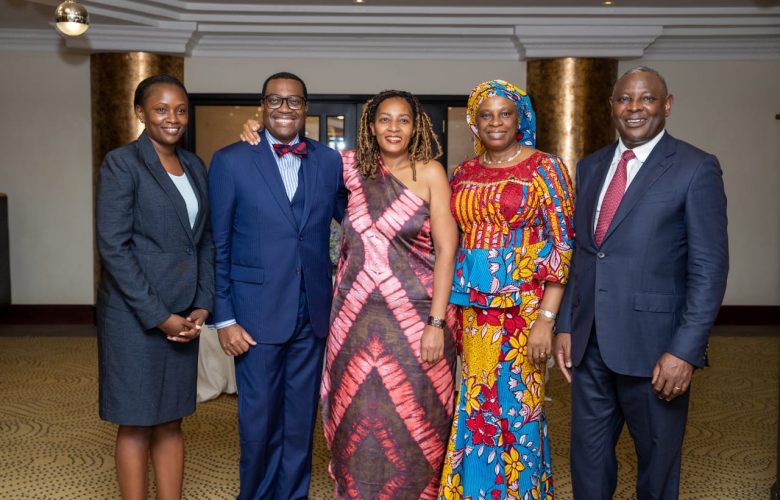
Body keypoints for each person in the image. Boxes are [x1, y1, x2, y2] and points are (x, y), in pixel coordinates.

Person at [241, 89, 460, 499]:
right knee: (355, 420)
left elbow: (448, 252)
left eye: (403, 120)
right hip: (353, 323)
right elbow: (294, 151)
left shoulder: (430, 172)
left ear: (416, 127)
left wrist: (436, 322)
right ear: (370, 126)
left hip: (416, 321)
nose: (393, 128)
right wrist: (258, 129)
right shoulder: (347, 167)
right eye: (384, 119)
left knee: (417, 421)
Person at [554, 66, 729, 500]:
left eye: (646, 98)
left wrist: (684, 351)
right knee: (588, 465)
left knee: (657, 470)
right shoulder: (591, 165)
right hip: (589, 345)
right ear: (612, 106)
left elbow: (709, 269)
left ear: (666, 105)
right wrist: (565, 325)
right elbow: (583, 254)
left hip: (656, 351)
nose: (634, 108)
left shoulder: (695, 167)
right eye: (624, 99)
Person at [209, 72, 347, 500]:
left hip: (313, 313)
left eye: (293, 101)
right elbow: (218, 244)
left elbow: (359, 215)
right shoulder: (231, 160)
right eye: (275, 100)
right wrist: (225, 318)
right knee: (258, 423)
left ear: (306, 108)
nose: (284, 109)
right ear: (262, 107)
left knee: (299, 424)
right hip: (254, 314)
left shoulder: (329, 161)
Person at [439, 80, 574, 500]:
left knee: (520, 410)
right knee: (476, 405)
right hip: (474, 310)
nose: (495, 122)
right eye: (486, 114)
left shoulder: (546, 168)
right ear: (474, 122)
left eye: (505, 114)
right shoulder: (463, 172)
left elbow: (563, 245)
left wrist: (546, 320)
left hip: (524, 312)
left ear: (521, 119)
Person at [96, 74, 214, 500]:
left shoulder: (195, 166)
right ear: (140, 113)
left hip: (184, 314)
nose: (173, 118)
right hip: (135, 316)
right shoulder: (122, 163)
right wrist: (160, 317)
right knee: (136, 421)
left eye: (180, 110)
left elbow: (203, 241)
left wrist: (203, 304)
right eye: (161, 109)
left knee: (171, 419)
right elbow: (114, 247)